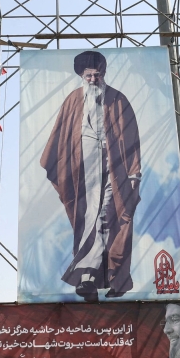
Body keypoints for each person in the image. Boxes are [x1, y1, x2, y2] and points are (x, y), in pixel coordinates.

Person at [40, 51, 142, 301]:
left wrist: (134, 173)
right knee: (89, 221)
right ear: (82, 77)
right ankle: (94, 279)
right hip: (82, 173)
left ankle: (88, 276)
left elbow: (132, 141)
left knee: (107, 218)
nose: (93, 79)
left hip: (113, 172)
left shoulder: (118, 100)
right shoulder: (73, 100)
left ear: (103, 74)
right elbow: (60, 138)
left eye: (97, 75)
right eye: (88, 76)